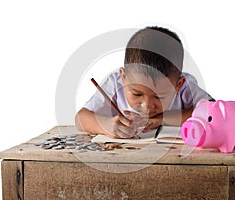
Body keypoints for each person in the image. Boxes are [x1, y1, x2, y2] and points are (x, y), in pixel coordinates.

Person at [75, 26, 213, 138]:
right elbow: (81, 118)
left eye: (159, 97)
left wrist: (162, 119)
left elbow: (213, 111)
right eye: (137, 94)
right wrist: (105, 125)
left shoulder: (185, 88)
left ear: (178, 84)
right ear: (123, 77)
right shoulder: (114, 85)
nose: (147, 106)